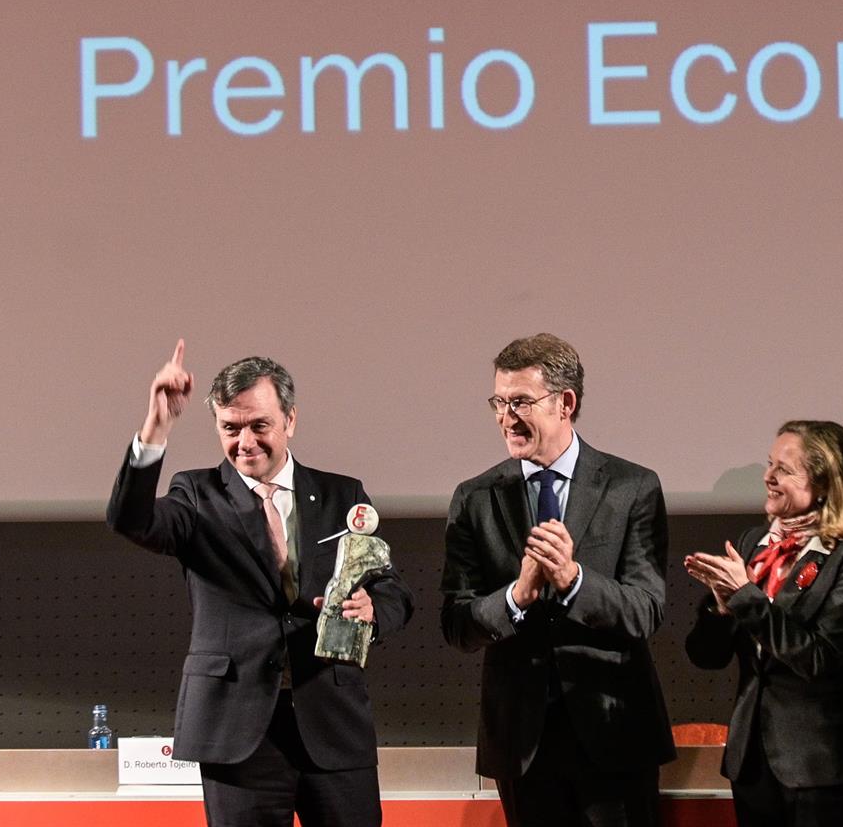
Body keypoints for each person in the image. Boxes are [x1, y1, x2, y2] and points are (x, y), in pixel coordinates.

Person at [107, 340, 413, 827]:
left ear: (290, 420)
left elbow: (391, 588)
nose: (245, 442)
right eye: (230, 428)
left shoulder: (342, 495)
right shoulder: (196, 495)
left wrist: (372, 613)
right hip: (238, 731)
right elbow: (130, 519)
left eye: (259, 425)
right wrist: (156, 427)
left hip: (332, 724)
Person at [439, 332, 674, 826]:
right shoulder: (475, 498)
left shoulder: (631, 487)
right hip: (521, 745)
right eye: (498, 402)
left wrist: (573, 580)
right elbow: (457, 623)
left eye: (520, 402)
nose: (506, 418)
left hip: (615, 735)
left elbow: (646, 609)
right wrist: (516, 596)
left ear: (565, 403)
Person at [684, 420, 843, 827]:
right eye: (769, 464)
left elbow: (820, 658)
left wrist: (746, 598)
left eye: (784, 470)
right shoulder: (753, 546)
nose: (767, 477)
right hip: (752, 761)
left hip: (820, 767)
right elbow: (705, 656)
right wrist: (721, 610)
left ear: (826, 483)